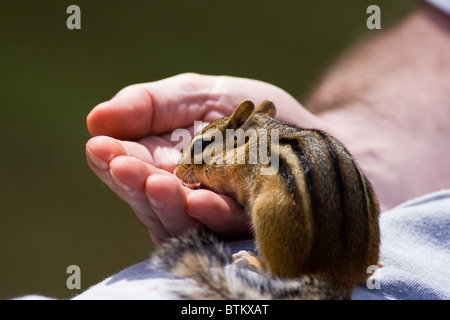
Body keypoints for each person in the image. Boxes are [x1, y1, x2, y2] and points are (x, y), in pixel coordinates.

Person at [81, 2, 450, 299]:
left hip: (308, 272)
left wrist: (201, 176)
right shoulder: (286, 143)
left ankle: (277, 269)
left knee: (274, 206)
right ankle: (356, 265)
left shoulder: (243, 155)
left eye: (203, 149)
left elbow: (234, 174)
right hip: (368, 268)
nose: (192, 162)